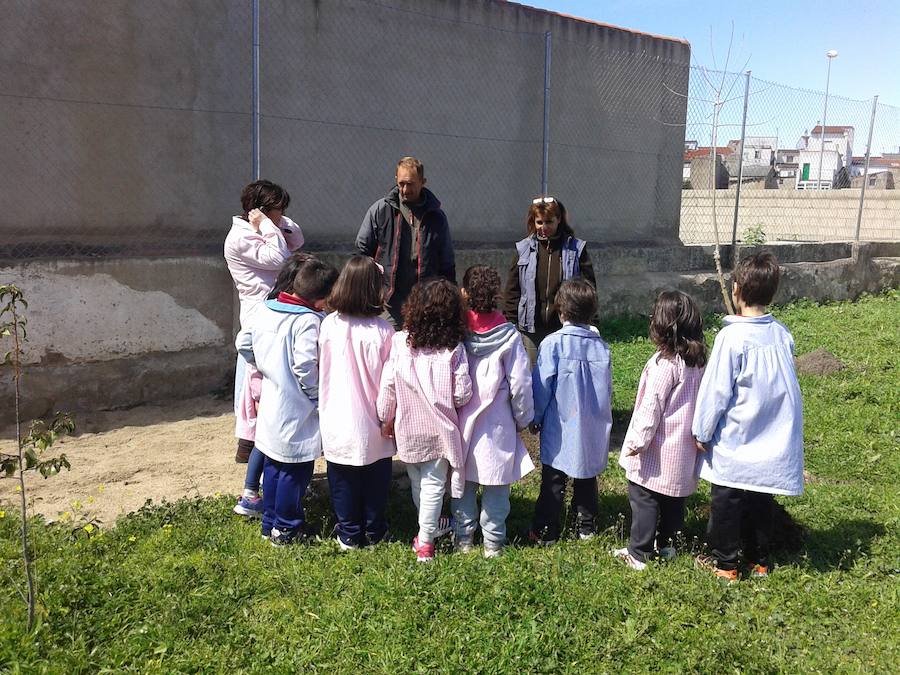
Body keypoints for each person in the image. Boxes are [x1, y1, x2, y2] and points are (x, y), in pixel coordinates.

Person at [692, 251, 804, 581]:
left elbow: (715, 392)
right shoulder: (782, 334)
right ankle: (759, 561)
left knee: (725, 501)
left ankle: (725, 564)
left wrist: (702, 431)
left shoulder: (731, 337)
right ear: (773, 292)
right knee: (760, 502)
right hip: (770, 438)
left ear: (736, 288)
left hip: (736, 441)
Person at [236, 256, 339, 545]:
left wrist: (266, 366)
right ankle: (287, 529)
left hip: (271, 402)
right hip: (296, 410)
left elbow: (243, 343)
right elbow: (305, 366)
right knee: (295, 472)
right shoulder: (308, 321)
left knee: (273, 468)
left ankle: (270, 522)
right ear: (322, 299)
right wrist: (318, 396)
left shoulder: (266, 309)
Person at [377, 278, 472, 562]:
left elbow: (388, 385)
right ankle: (426, 541)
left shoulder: (400, 343)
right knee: (433, 484)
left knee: (418, 481)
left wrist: (385, 417)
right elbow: (463, 394)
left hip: (407, 427)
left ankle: (426, 526)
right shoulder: (454, 350)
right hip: (439, 430)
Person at [224, 180, 304, 516]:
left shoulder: (264, 227)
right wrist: (268, 227)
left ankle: (256, 478)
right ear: (257, 210)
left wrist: (274, 223)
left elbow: (296, 239)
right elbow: (279, 257)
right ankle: (251, 485)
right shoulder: (239, 237)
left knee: (267, 403)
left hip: (273, 318)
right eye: (277, 209)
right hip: (259, 322)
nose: (282, 216)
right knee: (260, 403)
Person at [612, 291, 707, 571]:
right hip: (684, 451)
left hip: (657, 449)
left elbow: (650, 408)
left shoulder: (665, 366)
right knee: (674, 500)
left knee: (644, 497)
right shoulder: (698, 363)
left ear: (663, 326)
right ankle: (668, 545)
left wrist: (638, 442)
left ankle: (639, 552)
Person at [453, 266, 535, 558]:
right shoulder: (510, 336)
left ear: (464, 294)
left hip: (461, 421)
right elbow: (521, 383)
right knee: (497, 485)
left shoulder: (456, 331)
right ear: (497, 295)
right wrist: (524, 417)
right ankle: (493, 544)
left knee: (463, 484)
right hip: (497, 424)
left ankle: (463, 540)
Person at [318, 256, 395, 551]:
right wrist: (389, 417)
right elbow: (389, 383)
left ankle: (349, 533)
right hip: (376, 421)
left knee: (342, 478)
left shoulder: (328, 326)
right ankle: (375, 531)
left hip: (337, 416)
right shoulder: (383, 332)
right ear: (373, 290)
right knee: (376, 477)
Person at [529, 279, 612, 545]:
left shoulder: (553, 344)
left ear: (560, 309)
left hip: (560, 425)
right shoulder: (601, 346)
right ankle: (586, 527)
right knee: (587, 478)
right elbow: (607, 388)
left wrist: (535, 418)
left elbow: (541, 387)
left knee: (553, 480)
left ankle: (547, 531)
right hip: (592, 423)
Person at [355, 157, 456, 328]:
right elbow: (361, 253)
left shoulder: (436, 217)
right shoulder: (380, 211)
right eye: (401, 183)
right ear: (396, 180)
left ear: (423, 182)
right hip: (389, 303)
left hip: (426, 303)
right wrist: (372, 292)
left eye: (410, 184)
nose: (405, 189)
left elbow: (446, 262)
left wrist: (450, 300)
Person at [503, 196, 596, 364]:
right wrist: (510, 322)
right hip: (531, 328)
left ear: (559, 220)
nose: (543, 227)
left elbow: (589, 289)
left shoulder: (576, 249)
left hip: (564, 327)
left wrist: (592, 322)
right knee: (530, 376)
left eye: (549, 222)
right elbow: (512, 289)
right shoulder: (523, 249)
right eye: (539, 222)